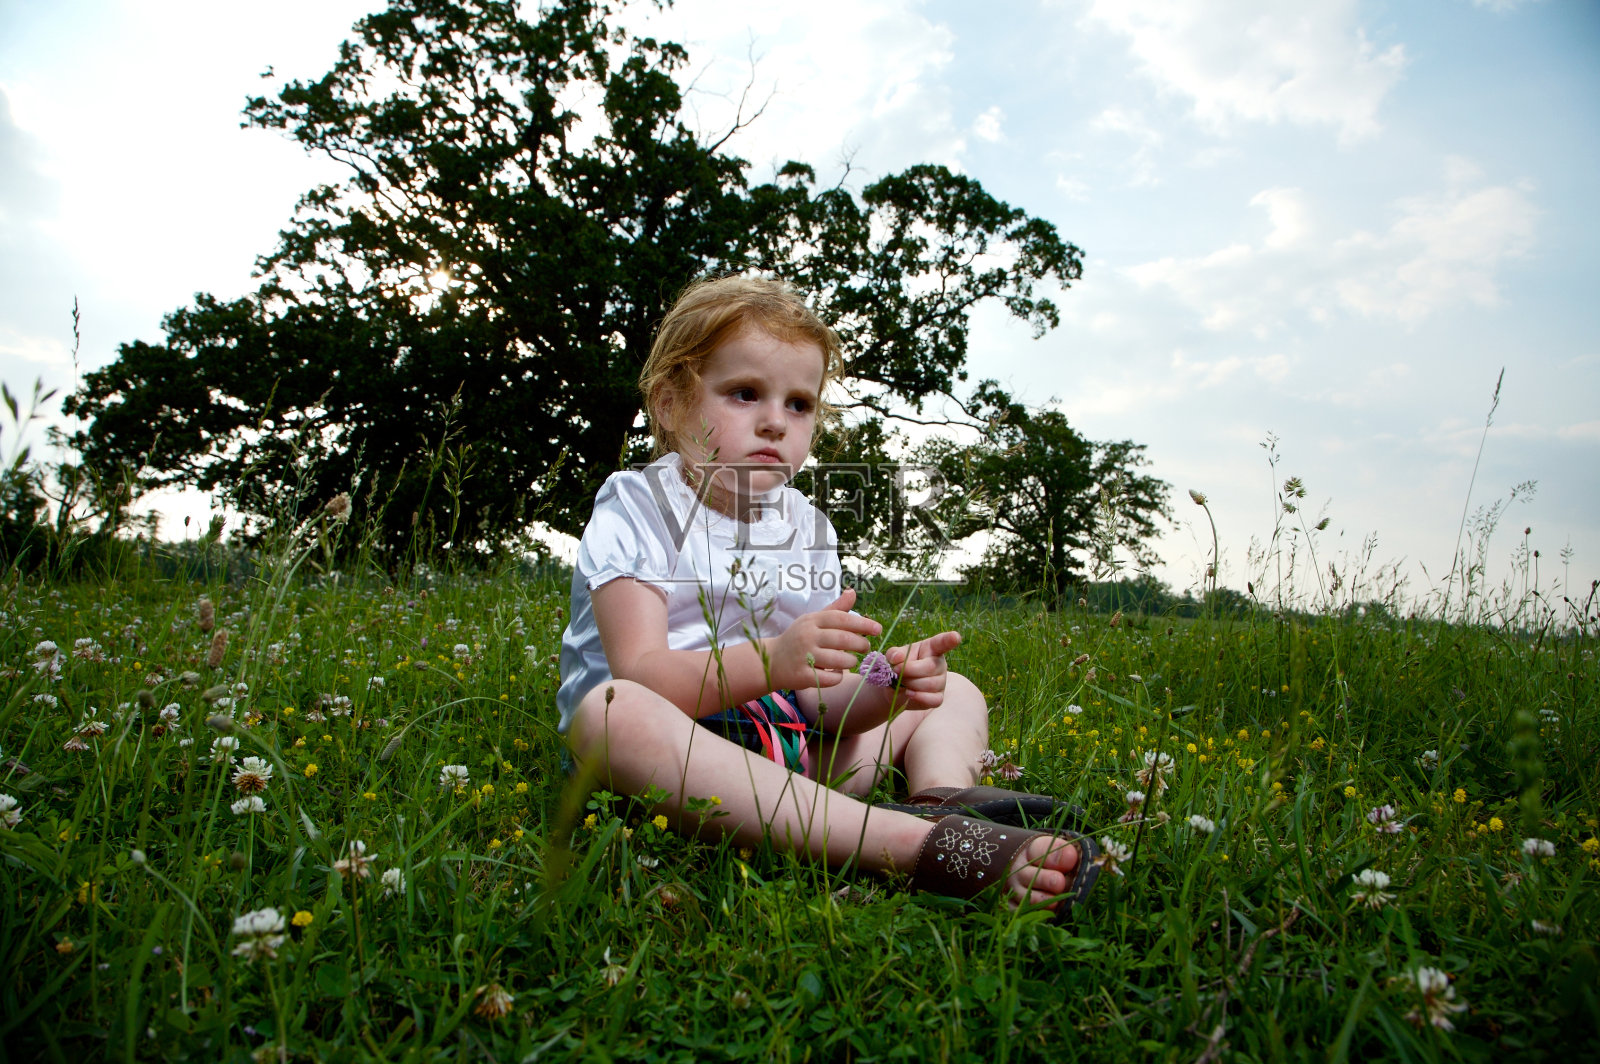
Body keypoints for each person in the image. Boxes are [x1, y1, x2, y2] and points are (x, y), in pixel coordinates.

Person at [557, 275, 1099, 911]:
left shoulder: (806, 527)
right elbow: (641, 673)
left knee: (953, 694)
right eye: (743, 394)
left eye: (799, 404)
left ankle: (942, 801)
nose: (772, 422)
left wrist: (884, 690)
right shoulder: (638, 506)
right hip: (674, 765)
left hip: (789, 759)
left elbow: (823, 705)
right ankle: (908, 844)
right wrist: (772, 661)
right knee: (612, 710)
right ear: (671, 403)